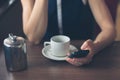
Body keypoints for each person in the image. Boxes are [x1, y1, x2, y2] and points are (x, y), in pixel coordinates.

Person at [20, 0, 116, 66]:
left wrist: (94, 47)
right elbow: (34, 37)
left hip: (81, 58)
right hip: (43, 63)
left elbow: (109, 29)